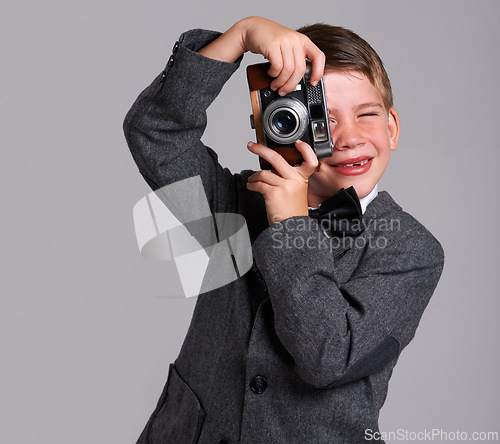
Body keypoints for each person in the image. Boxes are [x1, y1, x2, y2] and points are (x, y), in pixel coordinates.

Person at [123, 16, 444, 444]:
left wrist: (292, 226)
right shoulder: (235, 205)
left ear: (392, 128)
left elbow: (327, 359)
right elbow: (155, 131)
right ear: (279, 125)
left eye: (366, 115)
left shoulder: (412, 251)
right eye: (323, 120)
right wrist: (240, 36)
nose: (349, 138)